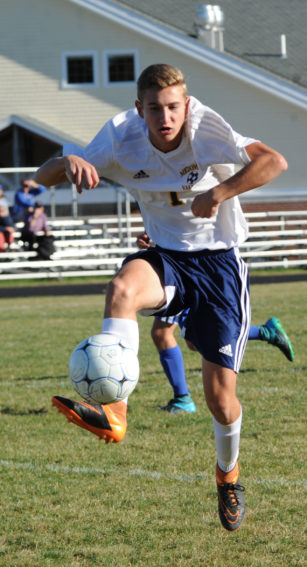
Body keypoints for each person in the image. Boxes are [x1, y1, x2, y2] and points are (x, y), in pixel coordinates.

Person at [35, 63, 288, 531]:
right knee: (122, 290)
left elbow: (274, 161)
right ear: (140, 110)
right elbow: (43, 174)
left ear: (186, 105)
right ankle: (114, 413)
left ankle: (228, 477)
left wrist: (219, 193)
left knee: (219, 398)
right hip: (166, 257)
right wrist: (67, 163)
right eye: (155, 108)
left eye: (173, 107)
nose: (166, 117)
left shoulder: (206, 128)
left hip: (218, 267)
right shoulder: (119, 136)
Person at [137, 232, 295, 414]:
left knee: (162, 334)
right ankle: (265, 332)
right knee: (193, 341)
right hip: (177, 262)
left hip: (186, 267)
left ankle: (182, 399)